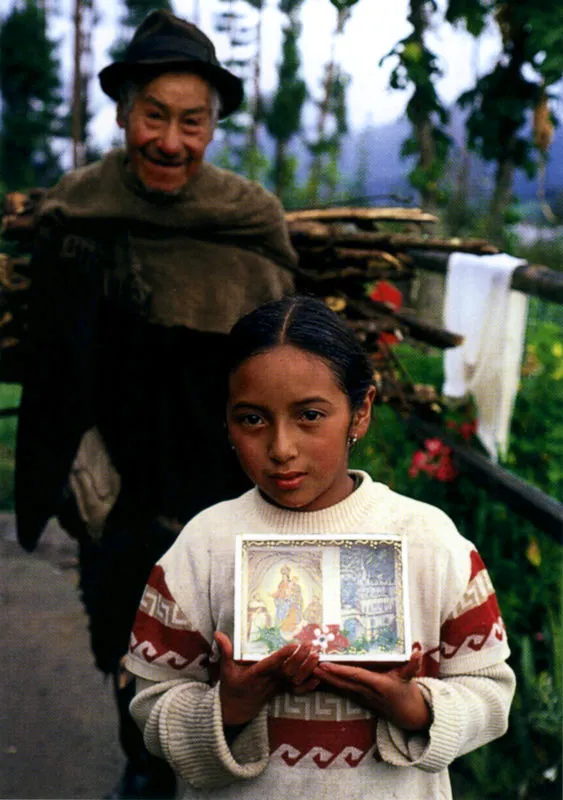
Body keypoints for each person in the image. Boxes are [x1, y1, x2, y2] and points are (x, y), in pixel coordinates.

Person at [14, 10, 296, 799]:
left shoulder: (248, 221)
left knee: (232, 639)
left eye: (192, 121)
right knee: (132, 639)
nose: (170, 141)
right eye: (154, 116)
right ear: (122, 113)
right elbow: (52, 356)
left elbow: (285, 353)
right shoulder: (79, 211)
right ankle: (144, 770)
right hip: (123, 472)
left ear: (213, 129)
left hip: (223, 468)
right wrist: (65, 461)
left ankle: (218, 772)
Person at [125, 296, 516, 800]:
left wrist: (412, 706)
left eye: (310, 415)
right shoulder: (204, 546)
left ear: (361, 412)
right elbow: (152, 706)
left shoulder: (429, 540)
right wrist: (229, 706)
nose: (282, 447)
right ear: (226, 418)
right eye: (252, 420)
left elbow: (490, 693)